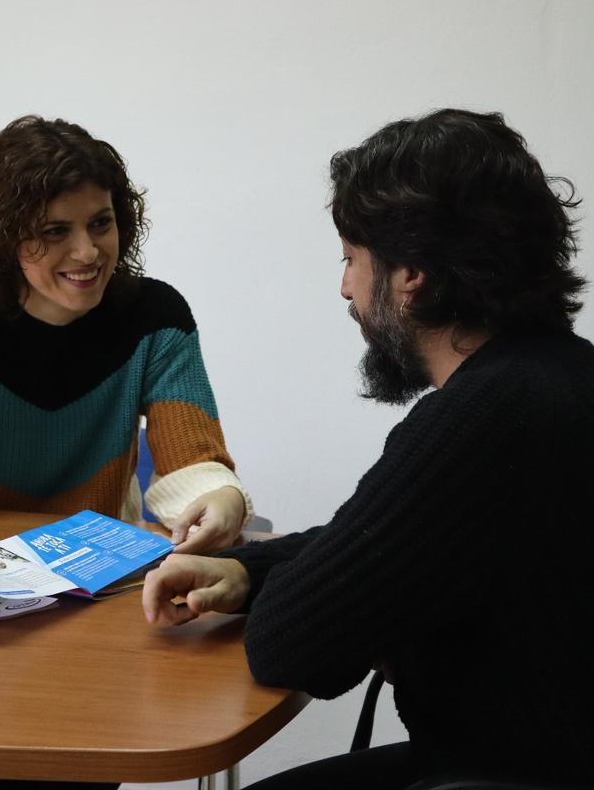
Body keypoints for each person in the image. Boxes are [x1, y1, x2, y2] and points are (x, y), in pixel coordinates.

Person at [142, 109, 593, 789]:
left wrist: (329, 607)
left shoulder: (479, 423)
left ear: (412, 275)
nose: (346, 287)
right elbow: (392, 541)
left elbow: (291, 647)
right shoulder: (563, 375)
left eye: (353, 259)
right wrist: (249, 570)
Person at [0, 115, 250, 563]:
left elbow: (190, 461)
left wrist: (223, 497)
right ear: (6, 239)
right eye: (56, 231)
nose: (88, 252)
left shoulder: (158, 318)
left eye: (100, 223)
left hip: (105, 569)